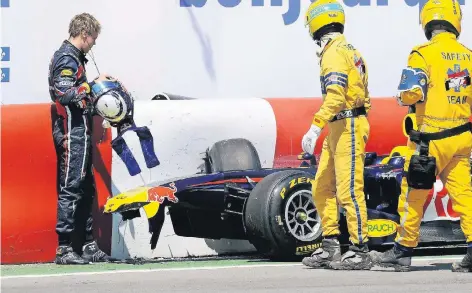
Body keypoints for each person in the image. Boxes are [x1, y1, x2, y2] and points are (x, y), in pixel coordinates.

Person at [373, 0, 472, 272]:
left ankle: (402, 252)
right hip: (462, 138)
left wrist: (401, 97)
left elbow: (413, 91)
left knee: (413, 196)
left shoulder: (422, 53)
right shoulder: (467, 55)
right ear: (455, 20)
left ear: (427, 21)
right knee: (464, 196)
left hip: (429, 141)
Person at [300, 0, 374, 270]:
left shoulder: (333, 53)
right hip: (341, 125)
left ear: (316, 22)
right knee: (321, 186)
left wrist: (315, 126)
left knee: (349, 190)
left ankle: (360, 249)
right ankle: (331, 245)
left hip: (347, 125)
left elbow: (336, 95)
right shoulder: (350, 50)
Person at [48, 12, 112, 264]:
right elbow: (62, 93)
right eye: (93, 38)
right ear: (84, 34)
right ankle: (64, 249)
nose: (95, 43)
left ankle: (87, 245)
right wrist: (92, 84)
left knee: (86, 189)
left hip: (81, 131)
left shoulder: (76, 58)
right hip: (70, 132)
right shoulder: (66, 57)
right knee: (71, 188)